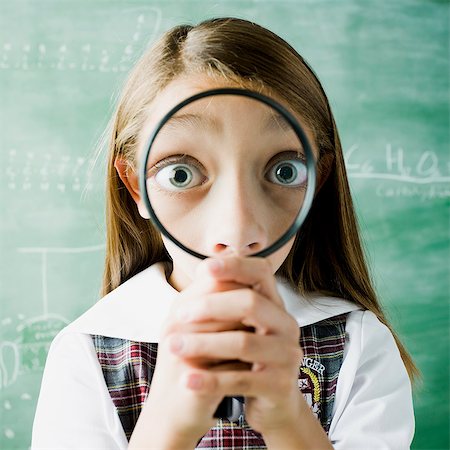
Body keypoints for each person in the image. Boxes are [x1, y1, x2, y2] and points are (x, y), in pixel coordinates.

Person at [31, 17, 417, 449]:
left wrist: (289, 418)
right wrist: (167, 428)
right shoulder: (85, 354)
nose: (236, 231)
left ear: (317, 184)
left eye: (283, 171)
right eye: (181, 173)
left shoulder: (358, 344)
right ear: (136, 186)